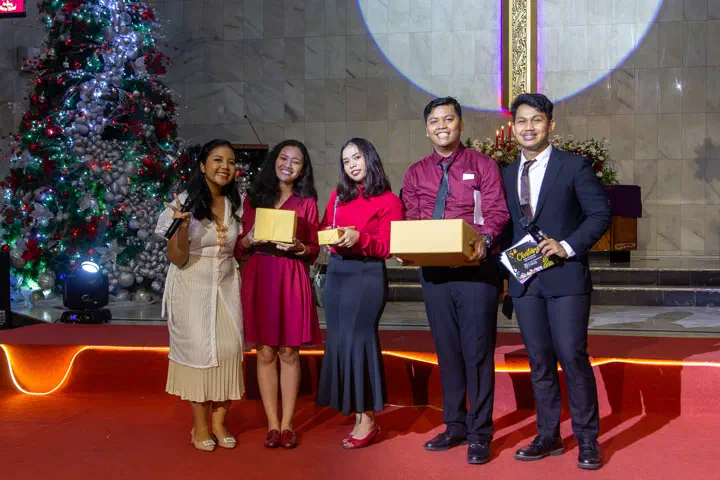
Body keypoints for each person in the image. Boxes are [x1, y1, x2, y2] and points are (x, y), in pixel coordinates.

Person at [502, 93, 610, 470]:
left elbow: (599, 215)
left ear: (550, 124)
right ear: (513, 127)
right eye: (521, 121)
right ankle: (548, 435)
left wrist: (567, 245)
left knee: (572, 356)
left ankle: (587, 438)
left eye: (536, 120)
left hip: (566, 279)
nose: (528, 127)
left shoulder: (574, 166)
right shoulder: (505, 173)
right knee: (538, 361)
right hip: (526, 282)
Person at [401, 97, 509, 465]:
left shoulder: (483, 165)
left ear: (461, 125)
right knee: (447, 350)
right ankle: (455, 425)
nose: (442, 126)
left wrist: (485, 240)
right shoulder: (415, 173)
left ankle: (480, 433)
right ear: (426, 129)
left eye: (448, 119)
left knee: (477, 352)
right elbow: (411, 217)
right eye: (434, 121)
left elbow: (497, 212)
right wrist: (406, 247)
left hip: (476, 271)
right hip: (434, 273)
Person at [155, 139, 245, 452]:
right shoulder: (184, 202)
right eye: (217, 160)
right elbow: (177, 258)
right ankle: (201, 426)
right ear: (203, 165)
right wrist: (181, 226)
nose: (225, 167)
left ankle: (219, 422)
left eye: (231, 162)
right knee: (199, 354)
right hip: (191, 285)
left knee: (230, 350)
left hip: (227, 285)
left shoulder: (236, 203)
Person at [316, 138, 404, 449]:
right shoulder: (338, 196)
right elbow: (325, 227)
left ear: (370, 158)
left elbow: (388, 246)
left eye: (357, 157)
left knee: (359, 342)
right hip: (337, 273)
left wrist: (360, 238)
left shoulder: (389, 200)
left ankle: (368, 418)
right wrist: (329, 237)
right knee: (340, 341)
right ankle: (355, 412)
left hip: (366, 275)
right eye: (346, 161)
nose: (352, 164)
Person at [235, 139, 321, 449]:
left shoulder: (307, 202)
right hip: (260, 274)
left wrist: (299, 247)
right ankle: (272, 423)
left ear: (302, 169)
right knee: (265, 351)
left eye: (296, 161)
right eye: (284, 158)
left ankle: (287, 424)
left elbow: (314, 249)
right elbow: (239, 247)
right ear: (274, 160)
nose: (288, 164)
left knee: (289, 351)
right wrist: (249, 239)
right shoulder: (254, 199)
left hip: (291, 274)